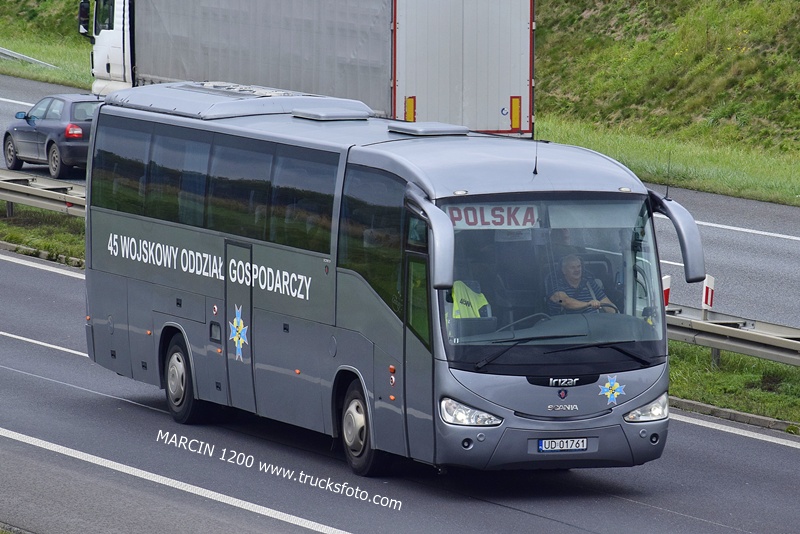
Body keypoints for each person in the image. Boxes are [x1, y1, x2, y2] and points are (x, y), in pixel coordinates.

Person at [547, 254, 617, 314]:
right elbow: (565, 302)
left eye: (578, 266)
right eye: (572, 267)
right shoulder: (556, 285)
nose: (577, 270)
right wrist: (588, 304)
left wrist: (617, 314)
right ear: (564, 270)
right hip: (566, 326)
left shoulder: (589, 283)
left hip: (593, 324)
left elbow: (607, 304)